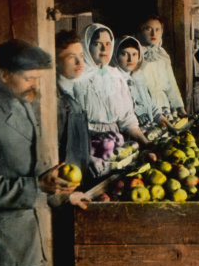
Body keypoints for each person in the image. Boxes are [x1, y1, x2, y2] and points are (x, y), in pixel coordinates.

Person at [0, 39, 80, 266]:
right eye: (28, 77)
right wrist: (37, 188)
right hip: (3, 249)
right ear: (4, 74)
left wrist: (62, 194)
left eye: (37, 78)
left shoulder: (25, 106)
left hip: (33, 244)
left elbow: (37, 167)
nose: (34, 84)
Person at [74, 23, 149, 146]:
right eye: (97, 44)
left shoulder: (115, 75)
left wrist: (146, 143)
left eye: (108, 44)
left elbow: (128, 120)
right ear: (86, 45)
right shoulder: (78, 78)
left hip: (115, 142)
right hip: (85, 143)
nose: (104, 49)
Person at [55, 30, 109, 182]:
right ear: (56, 61)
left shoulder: (75, 89)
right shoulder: (55, 99)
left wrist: (88, 157)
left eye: (81, 57)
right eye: (72, 58)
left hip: (78, 174)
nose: (80, 63)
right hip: (63, 181)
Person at [111, 35, 178, 134]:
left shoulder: (139, 78)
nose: (130, 59)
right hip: (130, 135)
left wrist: (170, 127)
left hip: (150, 132)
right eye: (124, 54)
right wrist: (136, 117)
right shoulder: (114, 81)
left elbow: (154, 109)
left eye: (134, 54)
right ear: (116, 56)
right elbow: (119, 114)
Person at [136, 14, 188, 118]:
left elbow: (171, 83)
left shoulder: (162, 54)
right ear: (140, 31)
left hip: (163, 105)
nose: (153, 33)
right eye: (148, 29)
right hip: (145, 106)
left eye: (157, 29)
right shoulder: (134, 54)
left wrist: (179, 107)